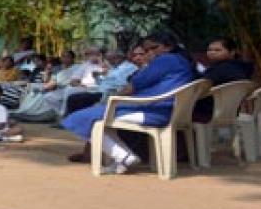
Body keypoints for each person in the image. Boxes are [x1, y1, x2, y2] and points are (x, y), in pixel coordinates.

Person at [62, 32, 197, 173]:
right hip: (165, 110)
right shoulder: (182, 61)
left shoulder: (166, 60)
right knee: (97, 117)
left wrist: (113, 100)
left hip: (152, 111)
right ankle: (122, 158)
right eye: (146, 50)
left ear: (168, 47)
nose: (149, 53)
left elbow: (134, 85)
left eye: (153, 48)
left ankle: (124, 157)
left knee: (81, 118)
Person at [193, 37, 256, 123]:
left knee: (175, 110)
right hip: (231, 112)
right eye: (210, 50)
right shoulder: (240, 68)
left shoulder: (221, 70)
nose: (212, 52)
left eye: (217, 50)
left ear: (232, 52)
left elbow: (199, 89)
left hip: (209, 112)